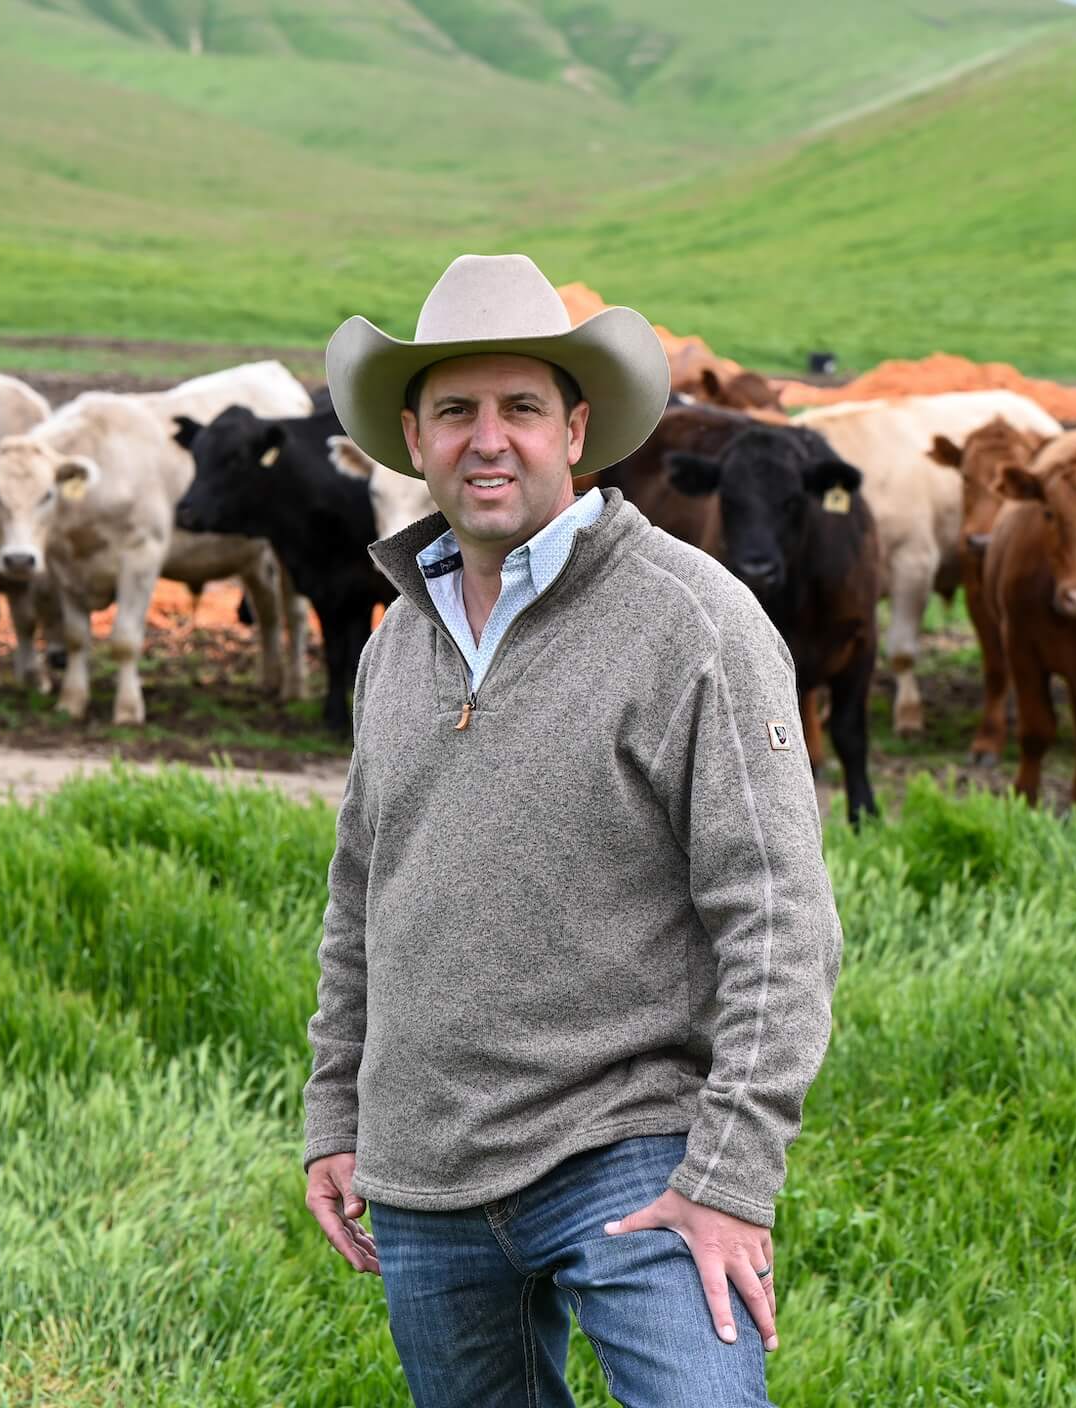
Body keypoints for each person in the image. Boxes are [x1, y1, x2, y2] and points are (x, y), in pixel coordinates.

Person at [303, 254, 843, 1407]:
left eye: (519, 409)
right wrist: (335, 1111)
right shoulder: (396, 640)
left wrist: (731, 1178)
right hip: (425, 1171)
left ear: (576, 427)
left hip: (628, 1149)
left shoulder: (691, 619)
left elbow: (779, 916)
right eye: (454, 410)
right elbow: (361, 894)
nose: (485, 439)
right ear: (412, 433)